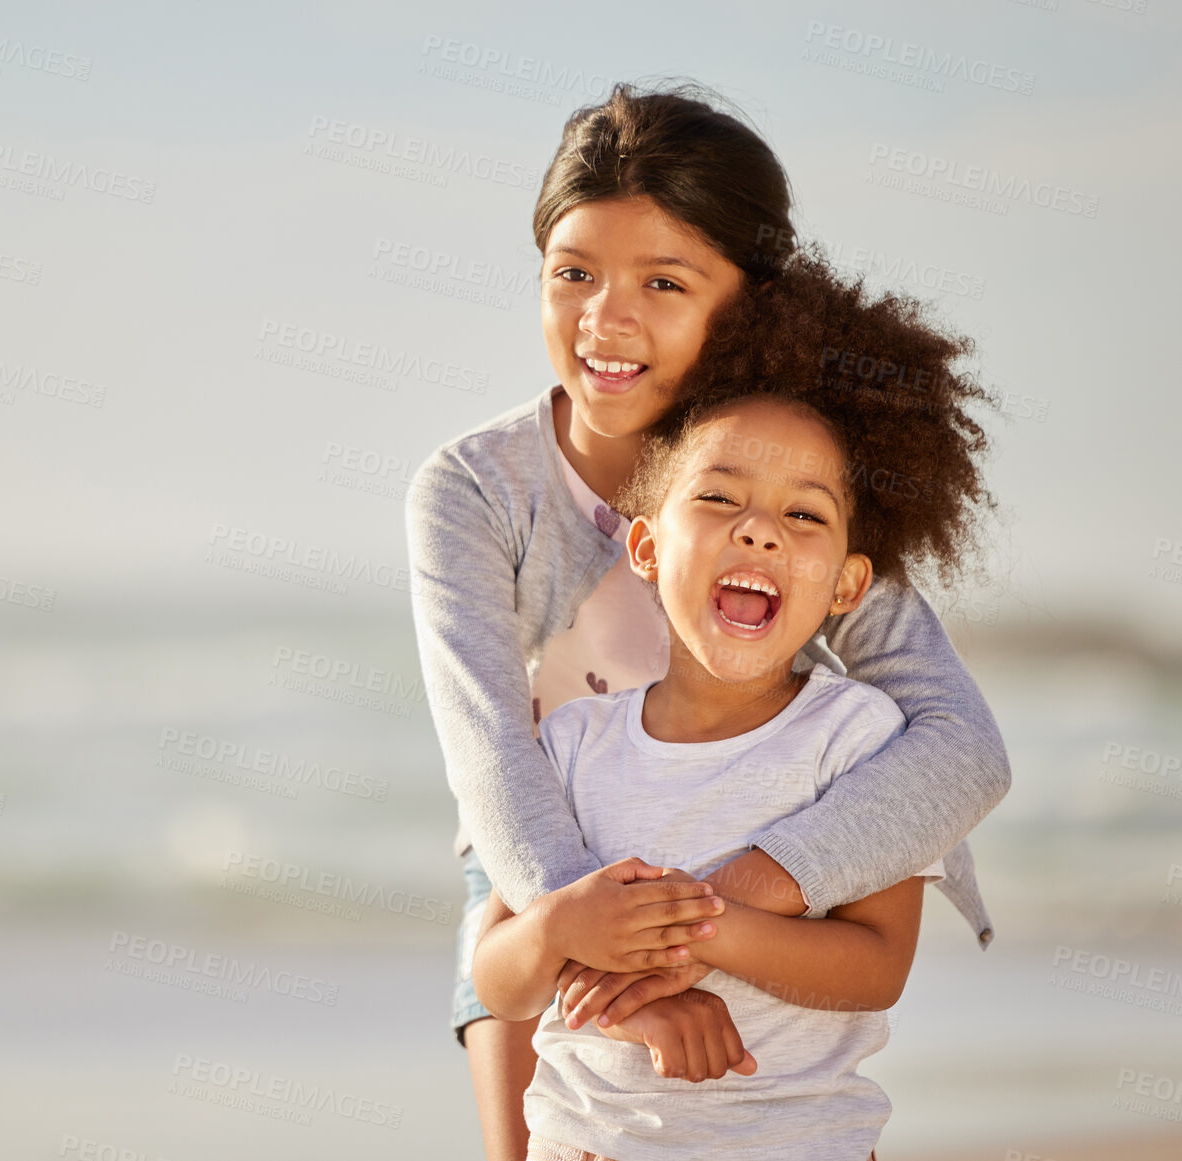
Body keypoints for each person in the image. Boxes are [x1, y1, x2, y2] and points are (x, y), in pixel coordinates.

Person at [403, 82, 1010, 1161]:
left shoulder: (783, 483)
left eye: (665, 282)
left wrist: (717, 906)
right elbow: (492, 759)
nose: (606, 318)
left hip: (762, 860)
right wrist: (616, 968)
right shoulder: (476, 490)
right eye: (573, 273)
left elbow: (960, 748)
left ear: (750, 305)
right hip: (540, 858)